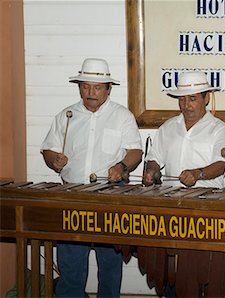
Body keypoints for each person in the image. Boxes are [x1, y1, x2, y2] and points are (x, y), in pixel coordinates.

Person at [41, 58, 143, 297]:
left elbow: (135, 152)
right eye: (85, 86)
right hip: (72, 195)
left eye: (97, 87)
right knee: (71, 263)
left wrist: (121, 166)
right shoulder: (66, 116)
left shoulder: (122, 116)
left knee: (110, 263)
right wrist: (53, 159)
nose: (90, 92)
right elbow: (48, 149)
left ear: (108, 89)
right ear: (79, 88)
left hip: (110, 196)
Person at [143, 71, 225, 188]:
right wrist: (151, 171)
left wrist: (197, 174)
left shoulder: (219, 129)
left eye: (193, 99)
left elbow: (221, 165)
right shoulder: (167, 128)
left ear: (206, 99)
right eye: (182, 99)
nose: (186, 105)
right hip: (171, 196)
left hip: (208, 198)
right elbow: (154, 158)